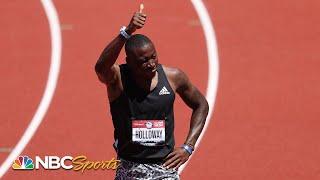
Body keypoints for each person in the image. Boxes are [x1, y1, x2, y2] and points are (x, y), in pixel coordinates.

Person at [95, 4, 209, 180]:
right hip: (129, 168)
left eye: (153, 56)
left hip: (165, 168)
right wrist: (127, 32)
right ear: (129, 62)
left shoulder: (173, 77)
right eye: (143, 61)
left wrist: (188, 146)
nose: (151, 63)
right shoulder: (118, 79)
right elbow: (101, 68)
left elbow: (201, 104)